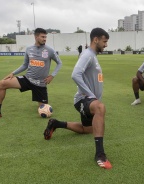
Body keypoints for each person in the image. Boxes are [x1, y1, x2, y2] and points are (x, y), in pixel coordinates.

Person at [43, 28, 112, 169]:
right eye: (104, 41)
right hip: (83, 100)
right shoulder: (87, 54)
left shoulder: (92, 55)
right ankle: (100, 154)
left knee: (87, 130)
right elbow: (75, 74)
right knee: (100, 108)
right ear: (96, 40)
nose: (106, 45)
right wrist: (91, 95)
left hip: (88, 100)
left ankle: (56, 123)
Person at [0, 28, 62, 120]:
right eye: (42, 37)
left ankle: (41, 103)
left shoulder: (49, 50)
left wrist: (52, 75)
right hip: (27, 79)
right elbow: (25, 65)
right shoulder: (29, 49)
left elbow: (59, 63)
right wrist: (13, 73)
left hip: (40, 83)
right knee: (1, 84)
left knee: (43, 110)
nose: (45, 39)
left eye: (45, 37)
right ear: (36, 37)